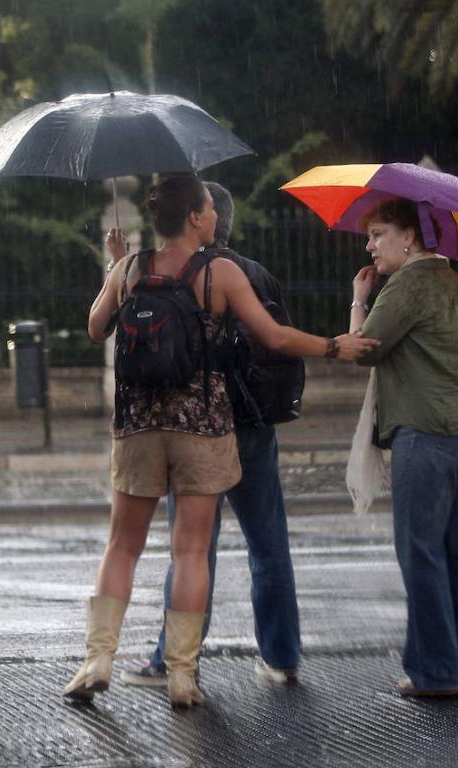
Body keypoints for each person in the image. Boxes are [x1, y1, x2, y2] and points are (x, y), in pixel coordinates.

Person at [72, 175, 377, 708]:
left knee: (122, 546)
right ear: (195, 218)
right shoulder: (220, 272)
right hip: (202, 429)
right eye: (209, 206)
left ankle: (98, 660)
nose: (215, 214)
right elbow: (275, 338)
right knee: (192, 551)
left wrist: (116, 268)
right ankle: (183, 676)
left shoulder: (130, 268)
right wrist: (334, 347)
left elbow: (97, 327)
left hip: (138, 426)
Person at [119, 181, 305, 689]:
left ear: (203, 218)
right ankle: (282, 654)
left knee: (192, 549)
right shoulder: (255, 273)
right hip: (253, 426)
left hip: (199, 427)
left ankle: (175, 659)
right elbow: (279, 344)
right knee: (269, 544)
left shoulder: (174, 274)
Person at [348, 197, 458, 697]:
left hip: (430, 436)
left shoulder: (408, 283)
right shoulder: (449, 278)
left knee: (422, 554)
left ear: (408, 236)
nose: (369, 245)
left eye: (377, 234)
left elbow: (361, 350)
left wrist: (357, 299)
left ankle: (436, 672)